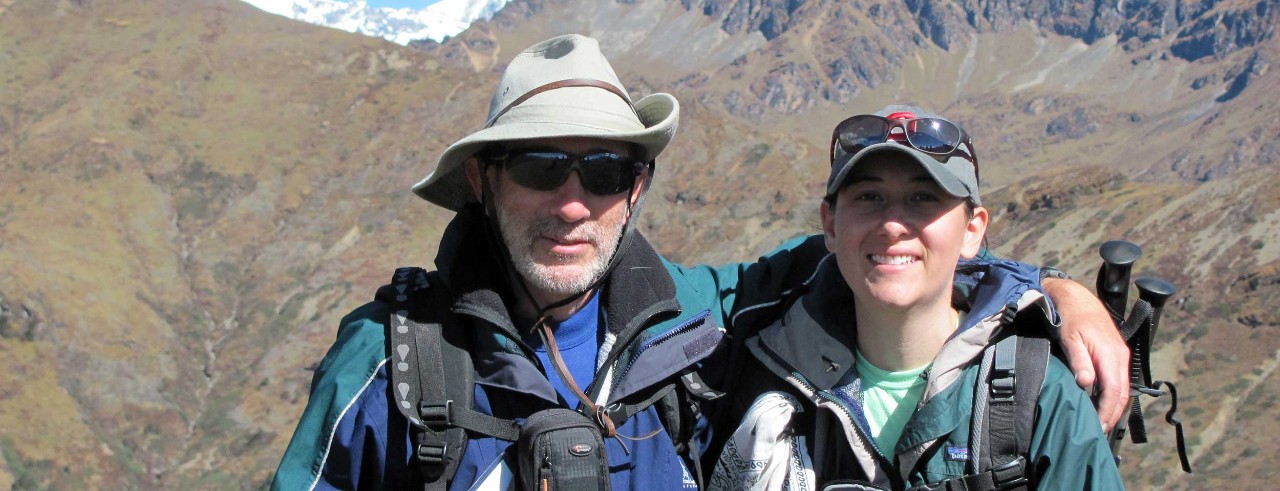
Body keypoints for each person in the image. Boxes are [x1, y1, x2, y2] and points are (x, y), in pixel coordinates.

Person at [271, 35, 1127, 490]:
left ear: (636, 188)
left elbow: (891, 257)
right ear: (481, 181)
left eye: (603, 170)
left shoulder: (688, 318)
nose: (573, 202)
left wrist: (1053, 289)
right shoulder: (394, 367)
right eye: (539, 167)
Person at [708, 106, 1123, 490]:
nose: (892, 224)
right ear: (830, 226)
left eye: (924, 198)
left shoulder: (1037, 395)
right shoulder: (758, 369)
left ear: (973, 230)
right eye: (869, 196)